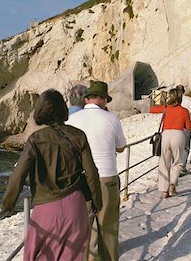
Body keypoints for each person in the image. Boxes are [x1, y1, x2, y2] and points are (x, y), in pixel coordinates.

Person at [0, 89, 102, 261]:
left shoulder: (36, 139)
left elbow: (18, 175)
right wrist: (97, 203)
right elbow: (92, 173)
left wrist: (7, 205)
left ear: (41, 110)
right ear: (63, 109)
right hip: (75, 206)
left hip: (45, 209)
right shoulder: (78, 135)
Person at [66, 80, 126, 261]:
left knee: (82, 229)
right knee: (108, 227)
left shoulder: (72, 120)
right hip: (106, 177)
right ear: (102, 99)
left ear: (87, 99)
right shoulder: (112, 118)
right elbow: (121, 146)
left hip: (81, 180)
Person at [153, 88, 191, 198]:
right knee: (178, 162)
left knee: (164, 163)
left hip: (165, 135)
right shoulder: (184, 111)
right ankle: (172, 184)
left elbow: (158, 114)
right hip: (178, 135)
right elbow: (188, 127)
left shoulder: (167, 109)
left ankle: (164, 191)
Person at [176, 85, 191, 175]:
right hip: (186, 126)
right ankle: (182, 167)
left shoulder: (172, 99)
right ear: (184, 91)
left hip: (174, 127)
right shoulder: (187, 100)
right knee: (185, 147)